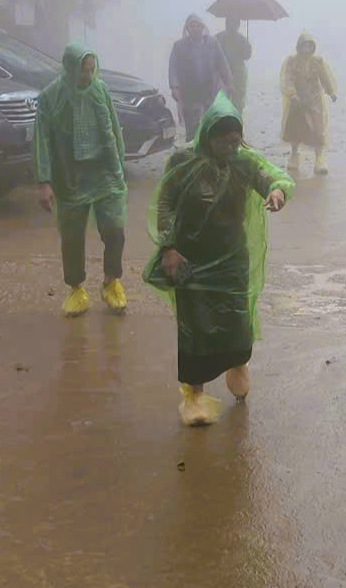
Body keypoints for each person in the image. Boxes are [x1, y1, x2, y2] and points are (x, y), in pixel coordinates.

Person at [144, 95, 293, 426]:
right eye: (223, 135)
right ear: (208, 133)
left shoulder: (243, 162)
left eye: (235, 136)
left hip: (231, 259)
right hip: (191, 259)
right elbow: (166, 202)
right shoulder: (184, 162)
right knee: (194, 328)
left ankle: (237, 367)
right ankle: (194, 395)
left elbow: (270, 177)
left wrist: (277, 191)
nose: (230, 142)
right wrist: (168, 247)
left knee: (236, 320)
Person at [34, 43, 129, 317]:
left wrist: (119, 166)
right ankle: (76, 289)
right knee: (72, 236)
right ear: (70, 68)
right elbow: (42, 139)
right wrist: (44, 182)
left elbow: (113, 126)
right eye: (82, 70)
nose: (87, 76)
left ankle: (111, 282)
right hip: (69, 175)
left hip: (104, 172)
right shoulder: (51, 97)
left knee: (114, 229)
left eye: (91, 69)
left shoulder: (100, 90)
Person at [279, 31, 338, 175]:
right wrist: (292, 94)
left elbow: (325, 78)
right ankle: (294, 155)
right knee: (295, 130)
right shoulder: (292, 61)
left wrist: (331, 92)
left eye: (309, 46)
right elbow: (287, 79)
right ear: (299, 47)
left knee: (318, 129)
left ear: (313, 48)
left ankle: (319, 159)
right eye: (304, 46)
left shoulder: (318, 62)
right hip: (297, 101)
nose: (307, 49)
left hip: (314, 101)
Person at [169, 14, 233, 134]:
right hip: (189, 94)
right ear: (187, 29)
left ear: (202, 27)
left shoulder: (212, 43)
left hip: (210, 92)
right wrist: (174, 87)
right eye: (192, 26)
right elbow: (173, 68)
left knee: (211, 126)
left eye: (198, 25)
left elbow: (222, 64)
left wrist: (229, 83)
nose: (195, 28)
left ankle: (208, 149)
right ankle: (192, 147)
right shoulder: (179, 46)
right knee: (192, 128)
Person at [214, 17, 253, 113]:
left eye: (234, 24)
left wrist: (248, 48)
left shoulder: (242, 40)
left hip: (238, 75)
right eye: (229, 23)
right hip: (222, 76)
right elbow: (212, 54)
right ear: (226, 24)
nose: (231, 26)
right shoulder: (218, 38)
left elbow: (247, 56)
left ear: (238, 25)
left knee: (238, 105)